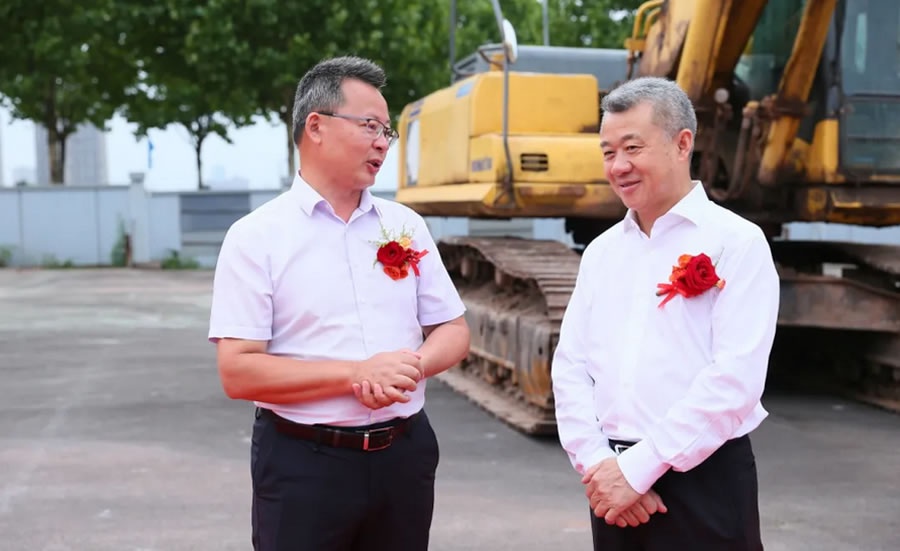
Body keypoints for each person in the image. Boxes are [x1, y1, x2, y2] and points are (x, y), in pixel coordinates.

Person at [208, 56, 471, 551]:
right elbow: (238, 372)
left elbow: (453, 330)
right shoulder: (256, 237)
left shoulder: (405, 226)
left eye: (387, 131)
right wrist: (356, 374)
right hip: (304, 465)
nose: (382, 142)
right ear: (316, 126)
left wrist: (408, 368)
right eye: (370, 125)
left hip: (403, 457)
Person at [551, 76, 780, 550]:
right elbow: (571, 366)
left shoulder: (736, 242)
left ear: (682, 144)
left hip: (706, 481)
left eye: (632, 148)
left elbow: (735, 379)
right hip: (611, 486)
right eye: (608, 152)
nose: (618, 166)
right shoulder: (601, 252)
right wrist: (599, 464)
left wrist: (638, 470)